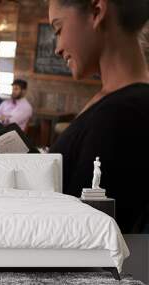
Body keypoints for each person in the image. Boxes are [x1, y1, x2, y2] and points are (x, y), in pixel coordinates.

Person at [48, 0, 149, 233]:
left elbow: (82, 233)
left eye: (58, 29)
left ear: (96, 11)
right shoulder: (112, 101)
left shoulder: (123, 114)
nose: (57, 47)